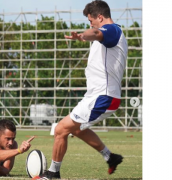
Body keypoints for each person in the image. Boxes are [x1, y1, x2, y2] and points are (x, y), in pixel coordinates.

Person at [35, 0, 128, 179]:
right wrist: (86, 37)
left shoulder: (112, 30)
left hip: (103, 97)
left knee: (61, 129)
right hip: (98, 96)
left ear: (100, 17)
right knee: (77, 128)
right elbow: (96, 33)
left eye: (90, 20)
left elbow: (95, 32)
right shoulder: (109, 35)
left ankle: (52, 174)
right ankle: (110, 157)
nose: (90, 24)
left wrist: (84, 35)